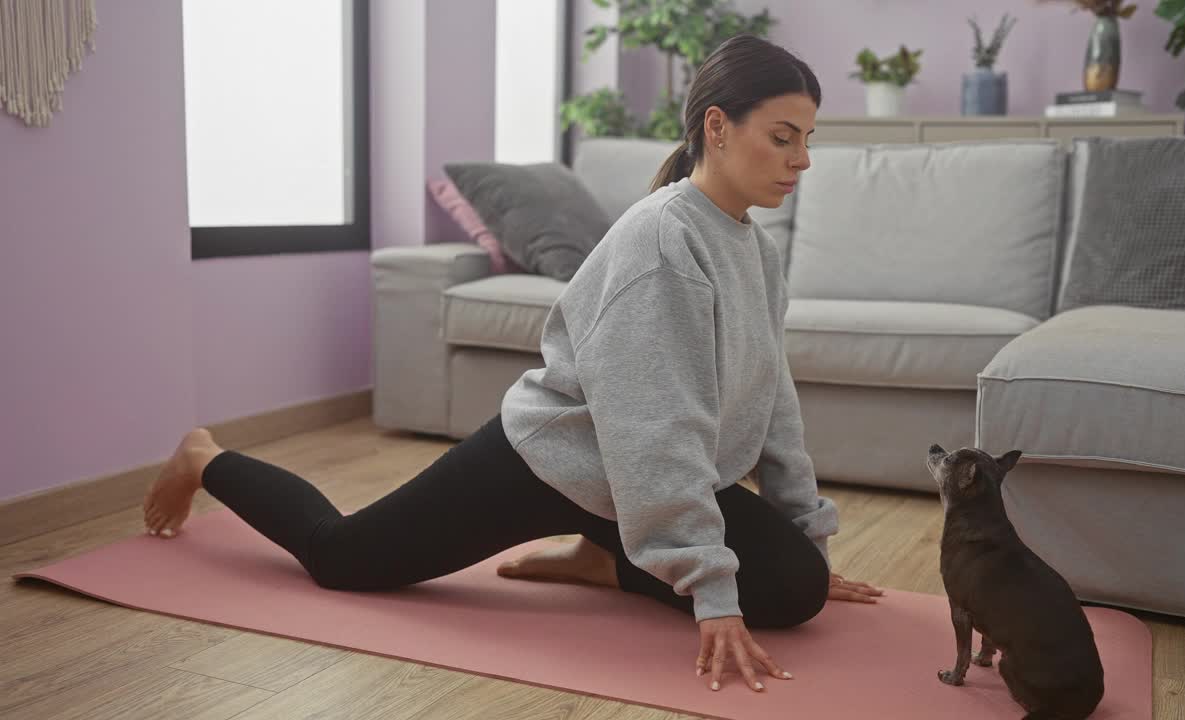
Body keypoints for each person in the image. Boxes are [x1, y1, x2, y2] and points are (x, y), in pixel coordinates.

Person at [142, 33, 883, 695]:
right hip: (553, 458)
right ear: (716, 128)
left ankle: (607, 553)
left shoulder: (755, 248)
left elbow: (771, 394)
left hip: (628, 481)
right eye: (785, 137)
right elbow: (660, 424)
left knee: (796, 589)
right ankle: (207, 457)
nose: (803, 160)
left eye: (808, 138)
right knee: (343, 558)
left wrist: (805, 535)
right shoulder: (664, 243)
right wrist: (711, 596)